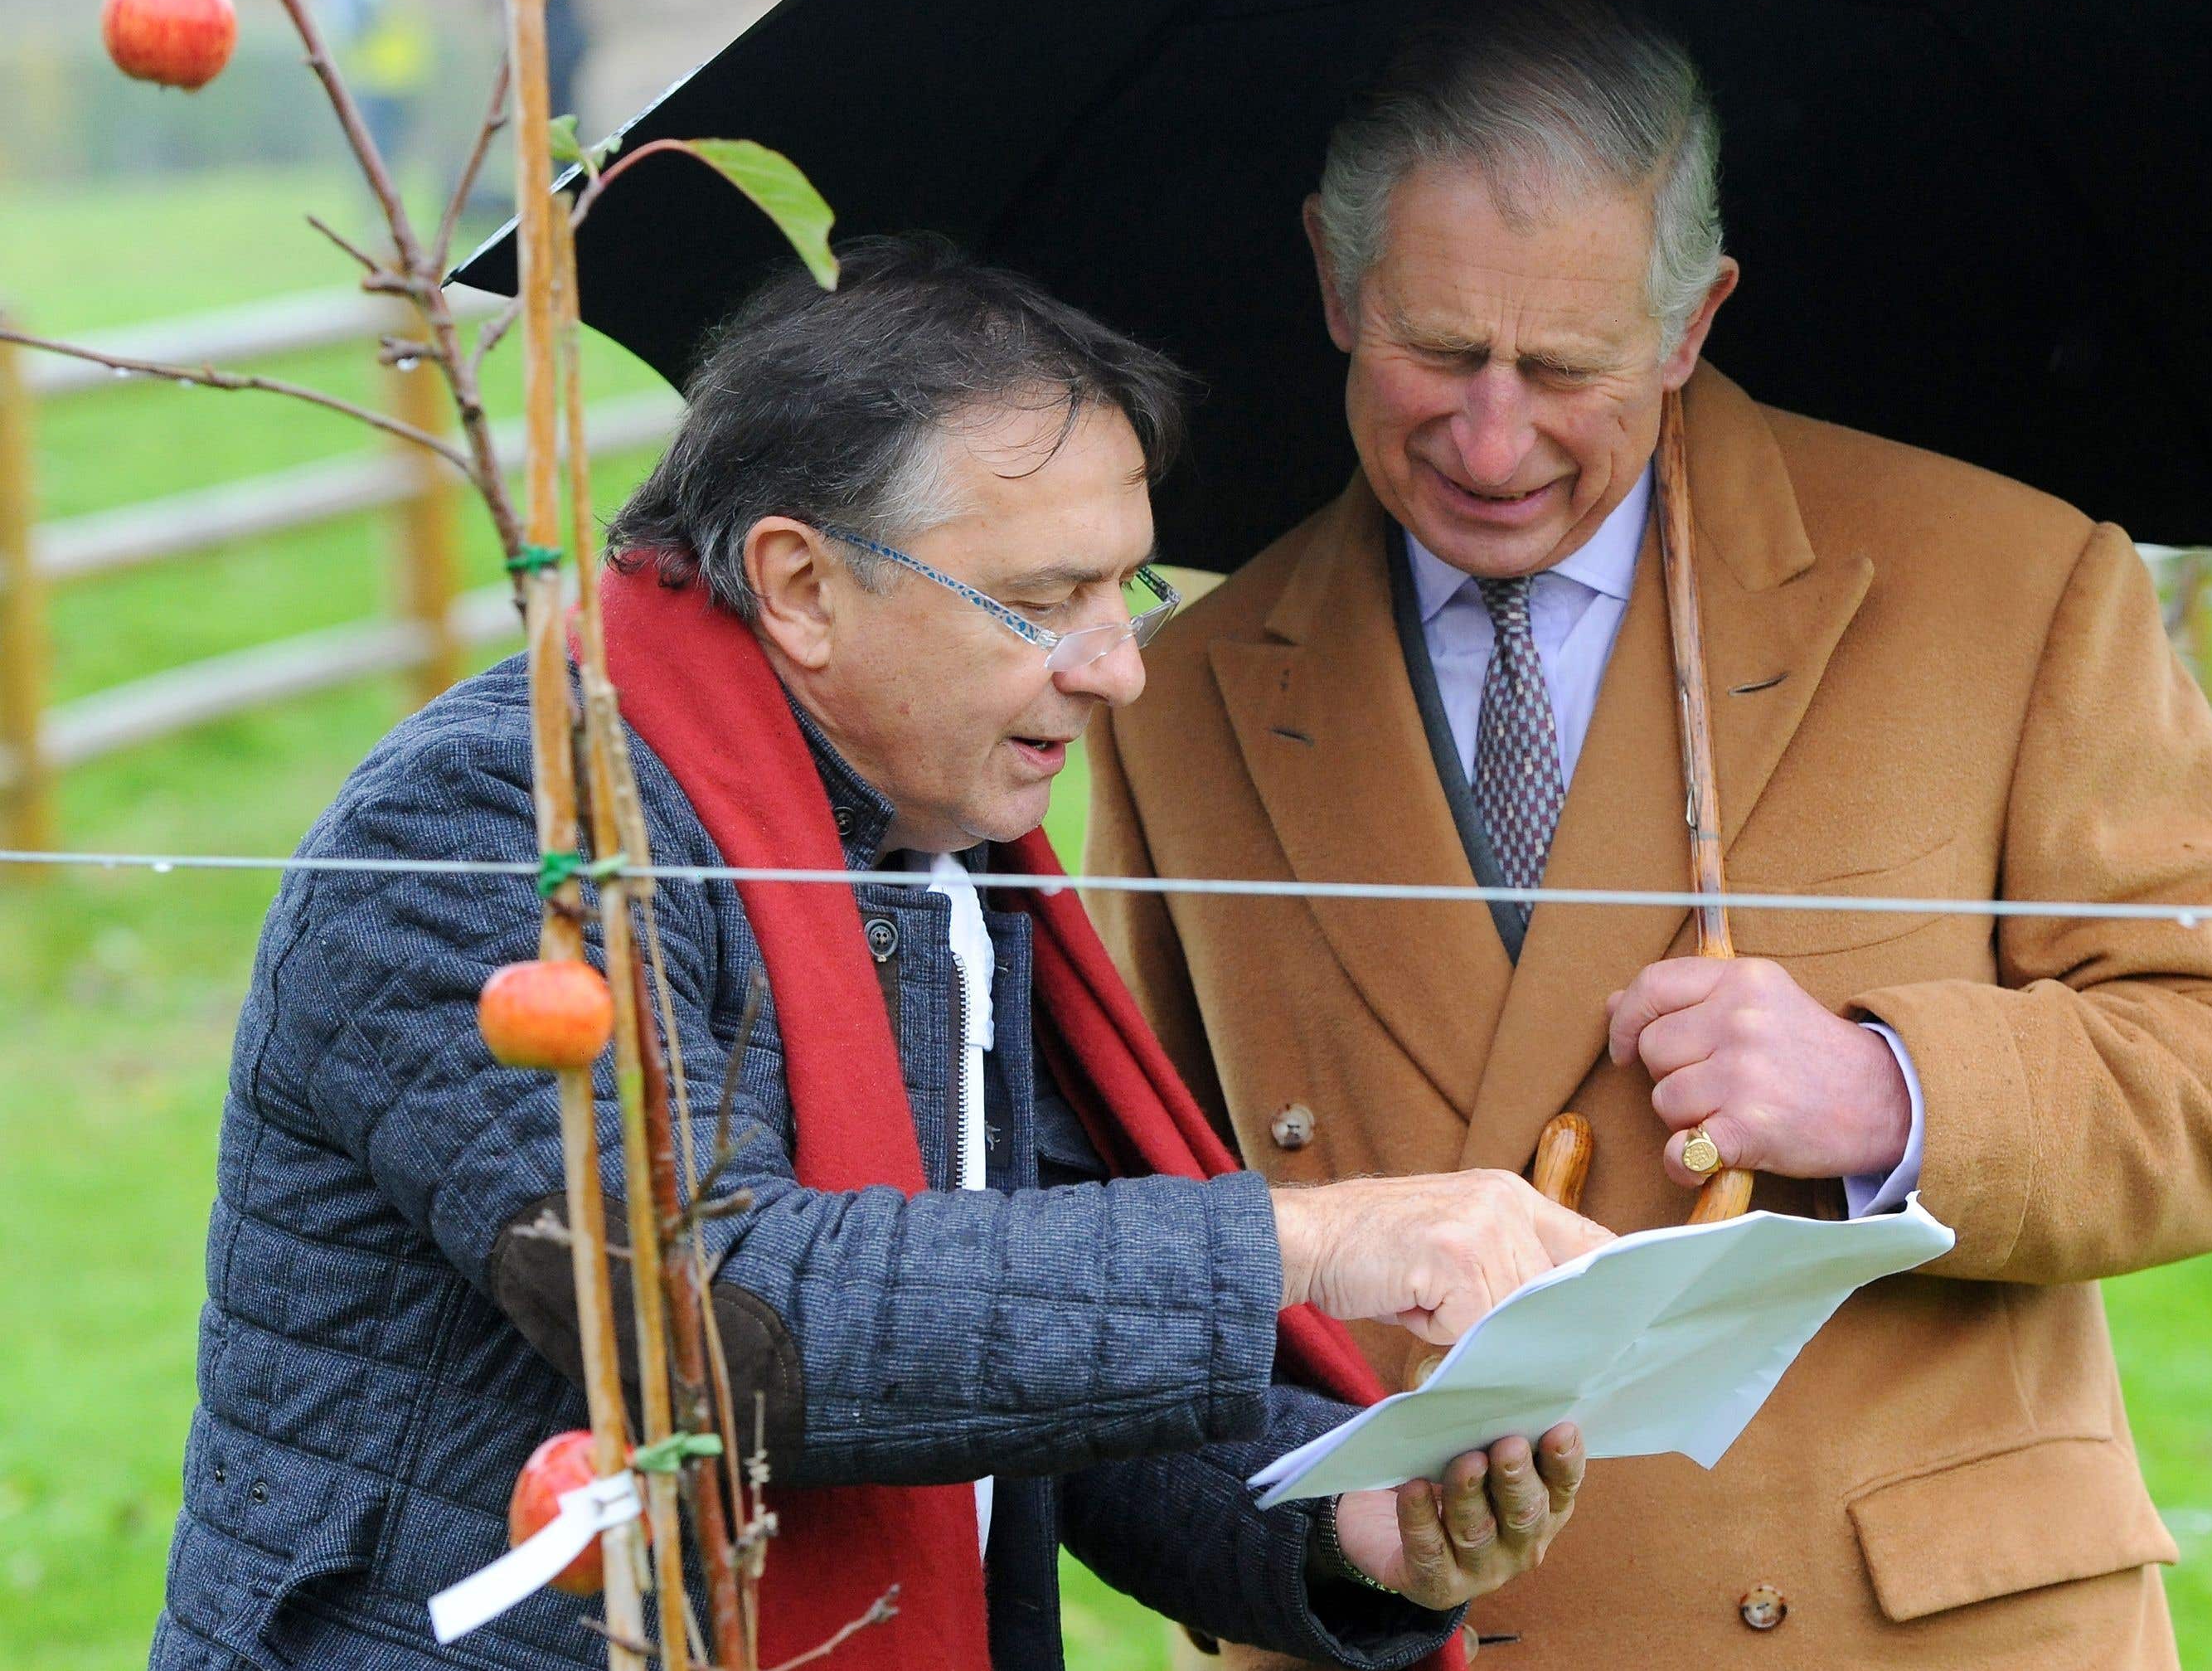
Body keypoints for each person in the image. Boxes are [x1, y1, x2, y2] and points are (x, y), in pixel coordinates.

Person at [1087, 0, 2212, 1669]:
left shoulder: (2007, 581)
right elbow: (1157, 1217)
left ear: (1693, 323)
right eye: (1438, 352)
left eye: (1566, 369)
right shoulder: (1179, 690)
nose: (1490, 436)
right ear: (1332, 275)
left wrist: (1892, 1093)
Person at [153, 236, 1608, 1671]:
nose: (1119, 664)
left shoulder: (935, 847)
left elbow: (1026, 1352)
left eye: (1127, 589)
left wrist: (1352, 1523)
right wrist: (1312, 1238)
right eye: (1042, 602)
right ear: (798, 583)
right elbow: (720, 1313)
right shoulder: (493, 830)